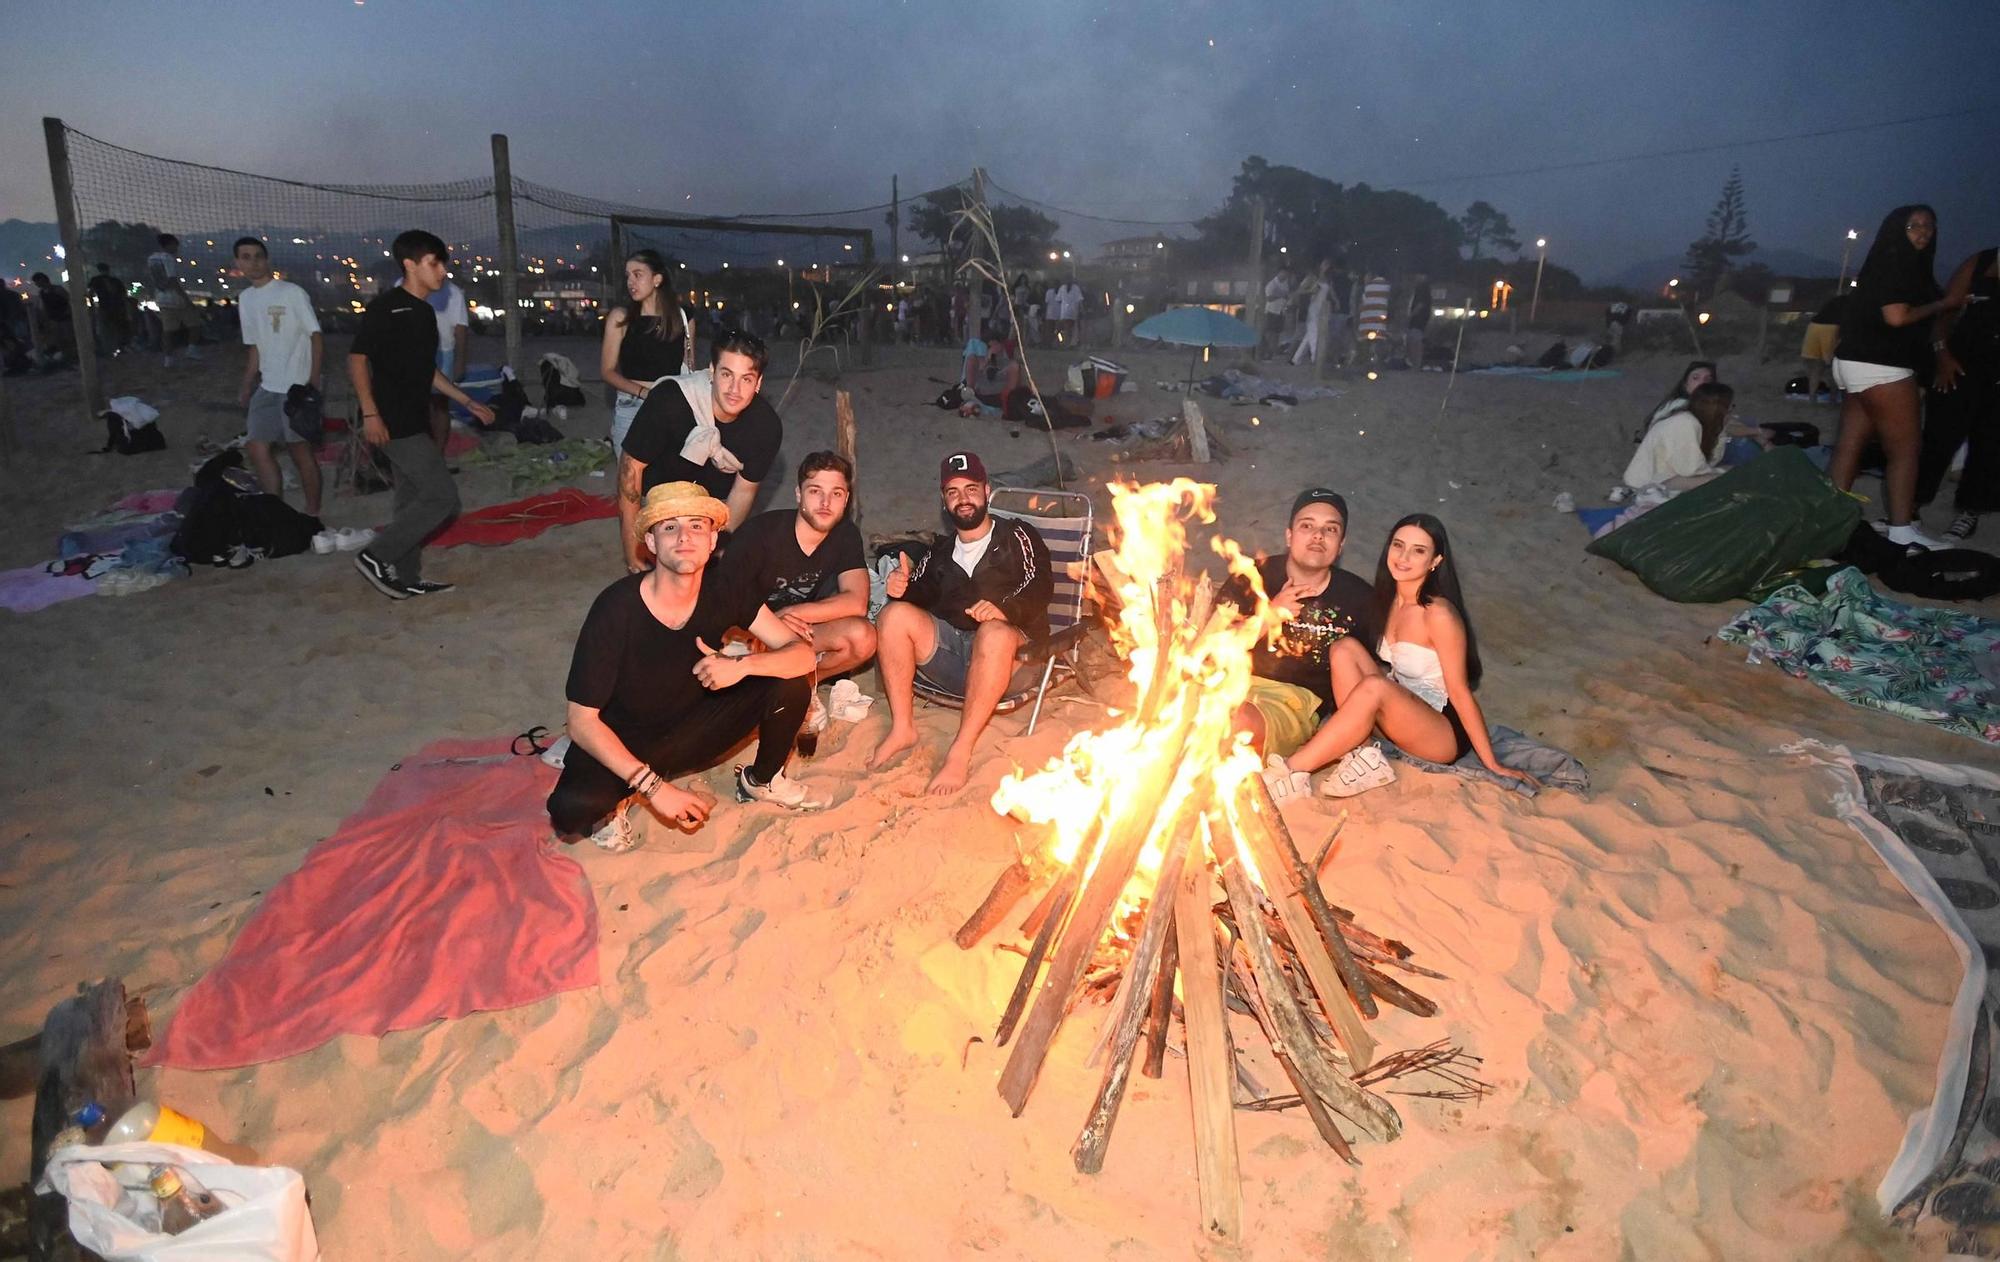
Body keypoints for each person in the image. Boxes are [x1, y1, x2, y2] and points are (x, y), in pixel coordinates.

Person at [547, 482, 822, 850]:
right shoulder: (616, 609)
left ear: (712, 541)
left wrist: (741, 666)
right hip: (628, 737)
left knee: (788, 682)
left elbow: (801, 653)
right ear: (651, 541)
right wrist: (655, 790)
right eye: (670, 527)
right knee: (570, 809)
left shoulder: (725, 588)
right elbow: (581, 721)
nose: (684, 537)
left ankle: (762, 779)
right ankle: (621, 801)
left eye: (697, 525)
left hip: (694, 726)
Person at [1283, 515, 1532, 796]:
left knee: (1376, 687)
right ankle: (1364, 758)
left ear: (1435, 561)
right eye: (1398, 545)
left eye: (1418, 550)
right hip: (1398, 713)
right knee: (1344, 648)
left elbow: (1460, 692)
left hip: (1439, 732)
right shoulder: (1387, 601)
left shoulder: (1438, 614)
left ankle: (1290, 772)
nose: (1403, 557)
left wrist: (1492, 763)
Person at [870, 451, 1052, 795]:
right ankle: (903, 728)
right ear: (944, 500)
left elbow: (1040, 583)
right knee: (893, 616)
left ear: (986, 491)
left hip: (1013, 661)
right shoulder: (939, 552)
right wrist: (901, 589)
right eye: (953, 492)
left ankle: (960, 749)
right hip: (958, 663)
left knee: (994, 633)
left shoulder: (1018, 536)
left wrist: (1005, 610)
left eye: (970, 489)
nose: (963, 498)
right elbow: (920, 596)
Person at [347, 229, 496, 599]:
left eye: (442, 262)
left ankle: (405, 575)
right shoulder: (387, 307)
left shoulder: (425, 313)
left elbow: (426, 370)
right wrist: (370, 414)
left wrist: (466, 400)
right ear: (410, 265)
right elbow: (357, 359)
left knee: (410, 500)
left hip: (416, 416)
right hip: (391, 420)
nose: (442, 270)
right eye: (434, 262)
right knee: (442, 497)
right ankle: (375, 555)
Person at [1830, 204, 1964, 550]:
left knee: (1850, 444)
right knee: (1905, 450)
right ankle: (1902, 528)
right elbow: (1897, 318)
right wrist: (1946, 303)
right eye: (1913, 226)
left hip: (1852, 361)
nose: (1922, 232)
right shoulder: (1897, 262)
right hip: (1882, 364)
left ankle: (1828, 520)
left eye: (1928, 227)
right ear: (1896, 229)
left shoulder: (1884, 261)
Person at [1230, 488, 1381, 792]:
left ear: (1341, 545)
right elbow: (1211, 648)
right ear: (1289, 535)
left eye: (1330, 529)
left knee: (1227, 722)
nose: (1318, 536)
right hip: (1231, 681)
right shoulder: (1251, 577)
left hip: (1292, 703)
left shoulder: (1359, 598)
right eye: (1307, 525)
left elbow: (1374, 677)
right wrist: (1269, 615)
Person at [617, 330, 781, 570]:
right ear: (712, 372)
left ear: (758, 383)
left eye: (746, 379)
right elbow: (630, 471)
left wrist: (717, 549)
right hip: (659, 499)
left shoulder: (765, 427)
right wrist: (633, 553)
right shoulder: (670, 401)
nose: (735, 389)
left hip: (713, 505)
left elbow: (743, 492)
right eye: (727, 374)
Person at [723, 451, 876, 675]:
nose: (826, 502)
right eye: (815, 491)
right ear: (799, 494)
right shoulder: (759, 533)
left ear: (845, 499)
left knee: (863, 637)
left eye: (836, 493)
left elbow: (856, 602)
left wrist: (791, 613)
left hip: (794, 629)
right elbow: (723, 602)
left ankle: (804, 686)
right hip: (745, 633)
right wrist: (772, 623)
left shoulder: (845, 534)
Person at [232, 237, 323, 521]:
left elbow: (315, 336)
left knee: (299, 450)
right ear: (238, 263)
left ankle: (311, 512)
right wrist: (248, 384)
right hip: (268, 385)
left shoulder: (291, 293)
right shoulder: (246, 299)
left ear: (267, 259)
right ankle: (275, 509)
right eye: (246, 257)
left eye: (258, 256)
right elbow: (255, 346)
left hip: (296, 385)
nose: (253, 262)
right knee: (257, 446)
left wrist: (313, 380)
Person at [1919, 244, 2000, 540]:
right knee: (1939, 435)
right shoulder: (1980, 261)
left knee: (1990, 443)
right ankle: (1912, 505)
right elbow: (1947, 309)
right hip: (1960, 362)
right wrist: (1942, 355)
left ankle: (1970, 511)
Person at [601, 249, 696, 453]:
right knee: (628, 482)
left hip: (670, 406)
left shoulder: (682, 318)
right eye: (628, 276)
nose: (630, 282)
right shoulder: (620, 317)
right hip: (631, 405)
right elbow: (607, 371)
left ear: (657, 279)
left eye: (638, 274)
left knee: (666, 481)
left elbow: (689, 365)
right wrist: (644, 393)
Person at [1623, 381, 1735, 492]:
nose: (1731, 410)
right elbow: (1690, 470)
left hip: (1670, 477)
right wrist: (1719, 472)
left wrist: (1721, 432)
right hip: (1648, 484)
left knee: (1728, 471)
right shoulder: (1685, 422)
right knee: (1722, 477)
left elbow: (1712, 461)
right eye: (1729, 406)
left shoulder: (1702, 424)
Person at [425, 274, 470, 451]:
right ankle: (426, 452)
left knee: (440, 403)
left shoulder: (452, 292)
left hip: (442, 352)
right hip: (412, 352)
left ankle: (438, 453)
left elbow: (461, 329)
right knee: (419, 405)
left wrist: (460, 361)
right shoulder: (403, 286)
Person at [146, 233, 200, 365]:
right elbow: (173, 281)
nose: (177, 248)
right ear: (170, 244)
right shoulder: (168, 258)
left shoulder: (151, 258)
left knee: (168, 331)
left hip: (161, 296)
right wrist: (187, 300)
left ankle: (168, 359)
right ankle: (191, 350)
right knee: (195, 324)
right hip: (175, 298)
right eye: (176, 245)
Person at [1632, 360, 1716, 443]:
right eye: (1695, 378)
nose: (1702, 383)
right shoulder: (1680, 408)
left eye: (1707, 379)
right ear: (1685, 385)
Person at [1798, 292, 1845, 403]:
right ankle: (1833, 397)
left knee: (1816, 369)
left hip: (1813, 338)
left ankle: (1812, 396)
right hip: (1830, 337)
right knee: (1833, 370)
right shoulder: (1835, 323)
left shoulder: (1815, 320)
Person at [28, 274, 74, 364]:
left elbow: (69, 300)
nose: (36, 284)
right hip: (53, 319)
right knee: (59, 339)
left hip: (64, 317)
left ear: (43, 280)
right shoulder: (42, 293)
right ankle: (66, 357)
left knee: (68, 338)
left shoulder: (57, 289)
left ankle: (72, 356)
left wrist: (68, 312)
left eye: (37, 281)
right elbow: (44, 307)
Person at [88, 262, 131, 355]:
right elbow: (123, 295)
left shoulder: (96, 280)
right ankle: (120, 347)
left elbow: (90, 293)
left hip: (104, 306)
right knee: (117, 327)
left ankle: (109, 348)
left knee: (106, 329)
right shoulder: (115, 281)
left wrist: (92, 306)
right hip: (117, 306)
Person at [1356, 271, 1392, 364]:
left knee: (1366, 344)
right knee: (1378, 343)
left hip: (1366, 322)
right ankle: (1377, 364)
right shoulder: (1388, 287)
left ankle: (1366, 364)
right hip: (1380, 322)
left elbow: (1361, 305)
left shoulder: (1366, 288)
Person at [1261, 266, 1293, 360]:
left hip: (1281, 312)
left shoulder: (1285, 284)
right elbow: (1269, 298)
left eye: (1286, 274)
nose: (1285, 275)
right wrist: (1281, 295)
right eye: (1283, 273)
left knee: (1277, 333)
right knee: (1270, 332)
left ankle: (1272, 352)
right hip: (1272, 311)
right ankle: (1267, 352)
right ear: (1279, 272)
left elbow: (1287, 296)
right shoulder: (1272, 284)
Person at [1404, 274, 1433, 368]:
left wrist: (1411, 314)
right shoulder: (1422, 290)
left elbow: (1420, 305)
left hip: (1418, 319)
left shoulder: (1422, 289)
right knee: (1414, 340)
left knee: (1415, 340)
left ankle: (1416, 363)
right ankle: (1415, 363)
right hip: (1419, 319)